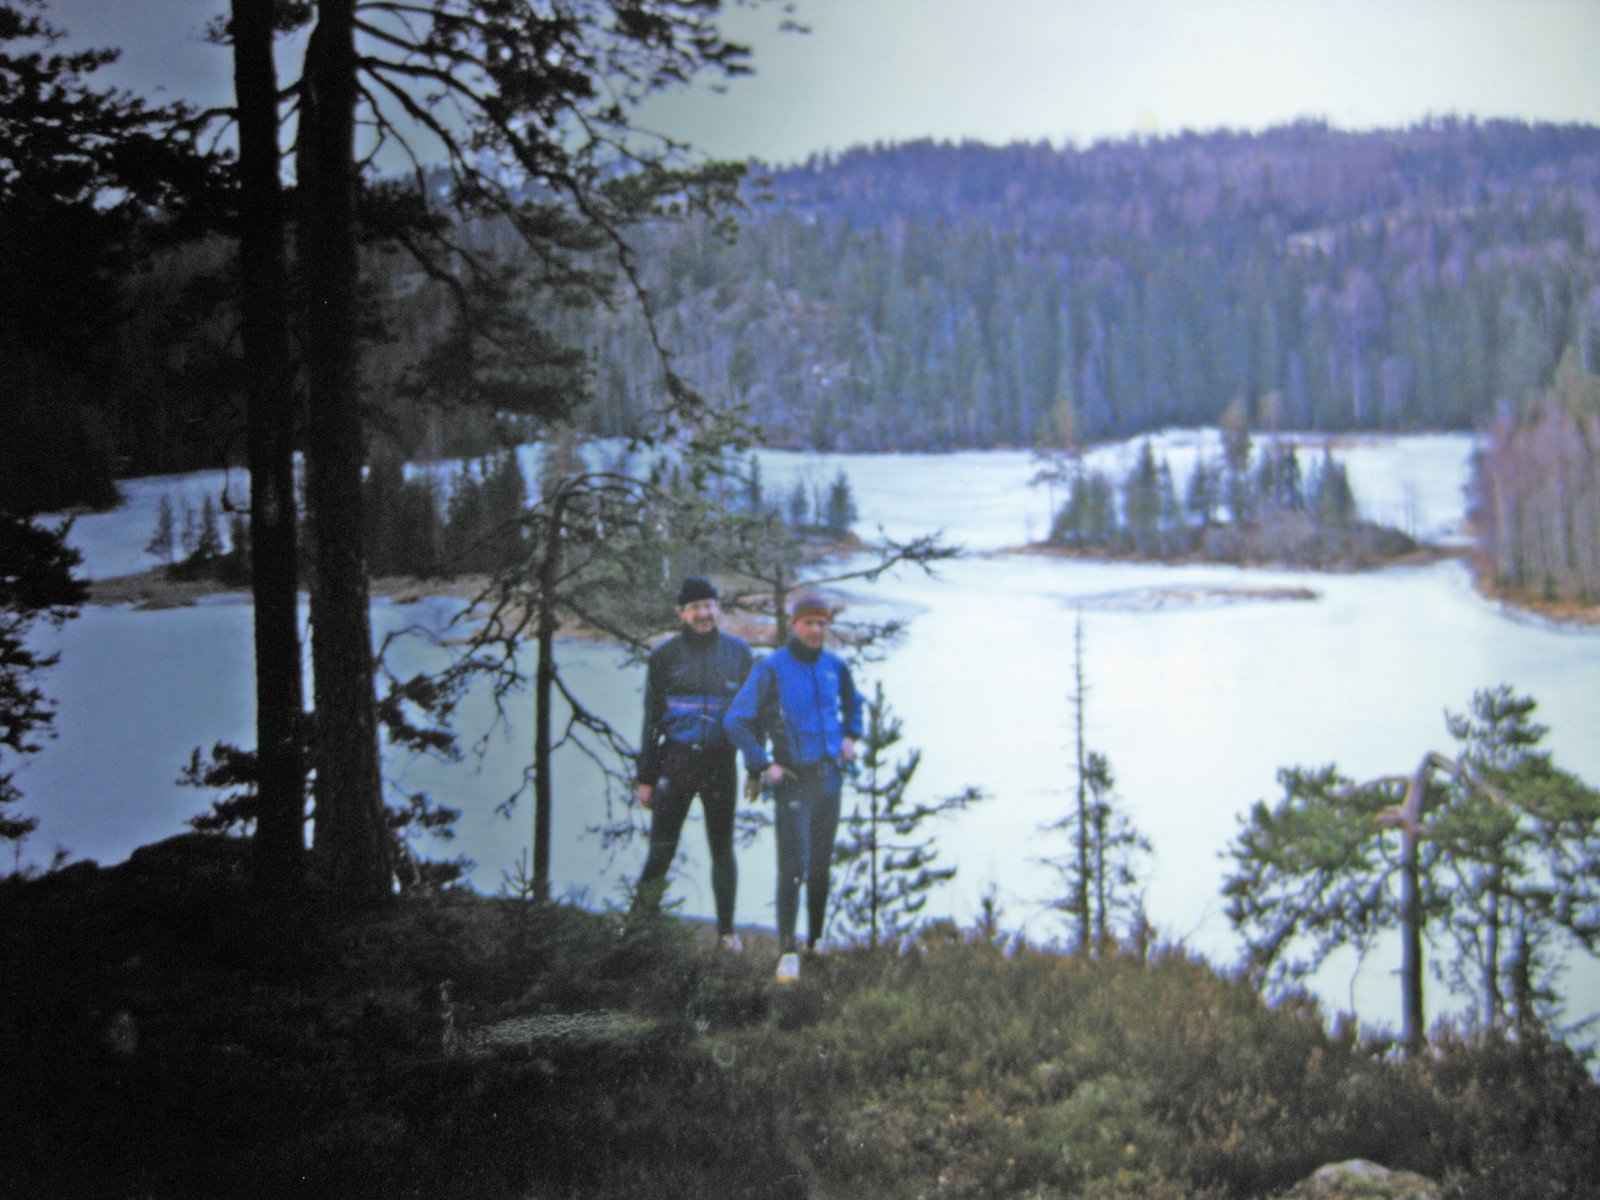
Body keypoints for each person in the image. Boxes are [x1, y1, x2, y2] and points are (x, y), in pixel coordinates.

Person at [724, 589, 863, 980]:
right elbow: (736, 720)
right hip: (793, 782)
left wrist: (851, 736)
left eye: (822, 624)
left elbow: (855, 704)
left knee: (820, 866)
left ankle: (816, 944)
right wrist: (761, 763)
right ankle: (787, 953)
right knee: (793, 867)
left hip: (830, 779)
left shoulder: (835, 666)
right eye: (809, 623)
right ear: (794, 625)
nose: (816, 630)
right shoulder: (772, 668)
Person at [635, 576, 754, 950]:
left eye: (709, 605)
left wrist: (755, 767)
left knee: (722, 848)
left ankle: (726, 934)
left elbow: (753, 716)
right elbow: (651, 721)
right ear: (682, 614)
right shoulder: (664, 656)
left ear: (718, 608)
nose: (704, 614)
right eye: (695, 608)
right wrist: (646, 777)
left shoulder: (739, 654)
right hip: (677, 761)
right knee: (661, 849)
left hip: (721, 763)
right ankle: (638, 929)